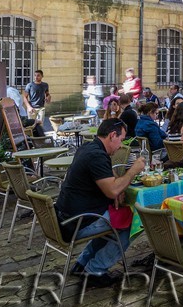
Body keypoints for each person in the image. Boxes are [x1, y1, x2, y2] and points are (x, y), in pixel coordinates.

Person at [56, 119, 146, 283]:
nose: (121, 144)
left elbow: (108, 178)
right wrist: (133, 170)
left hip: (65, 218)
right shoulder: (96, 155)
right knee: (133, 221)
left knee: (117, 218)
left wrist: (118, 186)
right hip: (77, 222)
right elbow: (112, 190)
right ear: (112, 135)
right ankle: (95, 270)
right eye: (121, 139)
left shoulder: (88, 147)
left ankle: (82, 264)